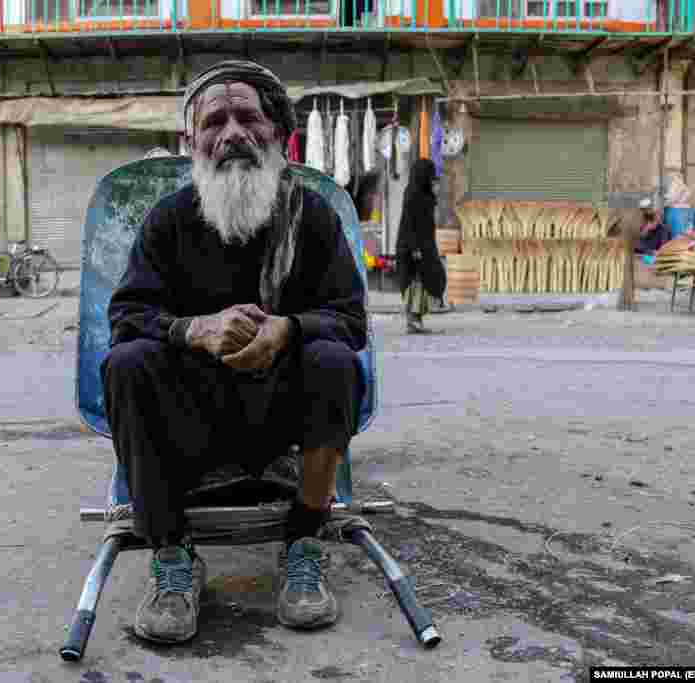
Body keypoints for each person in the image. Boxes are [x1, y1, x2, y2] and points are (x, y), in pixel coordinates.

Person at [101, 60, 367, 645]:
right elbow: (126, 318)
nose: (232, 133)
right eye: (214, 121)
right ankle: (170, 554)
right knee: (127, 363)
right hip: (191, 417)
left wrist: (288, 329)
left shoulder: (311, 217)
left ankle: (303, 541)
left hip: (281, 415)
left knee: (335, 360)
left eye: (248, 117)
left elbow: (350, 321)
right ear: (190, 142)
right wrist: (193, 330)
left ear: (277, 134)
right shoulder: (168, 222)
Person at [395, 158, 446, 334]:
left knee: (428, 280)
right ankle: (413, 320)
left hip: (425, 246)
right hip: (412, 247)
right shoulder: (412, 194)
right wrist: (414, 248)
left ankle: (416, 319)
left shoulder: (425, 193)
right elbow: (409, 223)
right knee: (416, 284)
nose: (433, 179)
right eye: (430, 175)